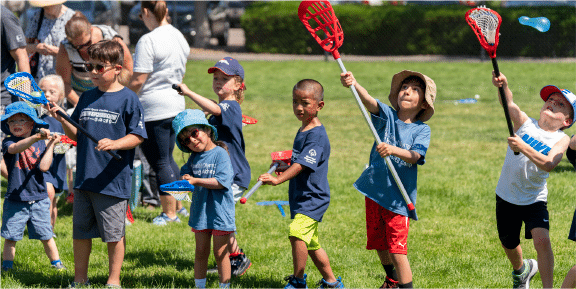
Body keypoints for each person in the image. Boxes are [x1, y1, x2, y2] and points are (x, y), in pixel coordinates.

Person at [47, 40, 146, 288]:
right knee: (81, 232)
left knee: (114, 235)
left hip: (112, 180)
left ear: (117, 68)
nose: (92, 72)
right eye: (89, 66)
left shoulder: (128, 99)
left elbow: (138, 135)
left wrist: (115, 143)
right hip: (85, 178)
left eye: (99, 67)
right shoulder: (87, 97)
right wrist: (60, 116)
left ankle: (113, 281)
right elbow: (77, 132)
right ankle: (80, 279)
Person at [340, 70, 437, 288]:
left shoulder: (422, 130)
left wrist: (393, 150)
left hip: (398, 200)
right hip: (375, 192)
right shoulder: (387, 116)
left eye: (415, 90)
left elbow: (415, 157)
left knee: (397, 249)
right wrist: (354, 84)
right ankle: (391, 279)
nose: (407, 92)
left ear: (423, 104)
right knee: (379, 243)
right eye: (404, 87)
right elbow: (369, 102)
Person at [258, 79, 345, 289]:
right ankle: (332, 283)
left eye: (305, 103)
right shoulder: (305, 128)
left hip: (312, 197)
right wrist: (284, 163)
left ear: (319, 106)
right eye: (295, 101)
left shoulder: (316, 135)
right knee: (312, 244)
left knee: (296, 233)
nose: (299, 107)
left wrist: (279, 178)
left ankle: (298, 281)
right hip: (301, 194)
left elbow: (302, 166)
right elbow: (298, 159)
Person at [492, 73, 575, 288]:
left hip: (534, 199)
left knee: (542, 241)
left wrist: (523, 147)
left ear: (567, 121)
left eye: (560, 104)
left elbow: (549, 163)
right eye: (551, 100)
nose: (552, 103)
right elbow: (508, 103)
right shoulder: (525, 124)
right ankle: (522, 270)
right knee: (509, 243)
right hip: (506, 195)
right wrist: (504, 85)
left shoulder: (561, 139)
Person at [175, 56, 252, 276]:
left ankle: (237, 259)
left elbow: (218, 111)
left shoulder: (231, 106)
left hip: (231, 175)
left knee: (220, 218)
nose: (218, 82)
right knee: (219, 215)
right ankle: (237, 257)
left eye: (224, 79)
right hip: (217, 172)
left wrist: (189, 93)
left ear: (238, 84)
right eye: (216, 78)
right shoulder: (223, 107)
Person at [128, 0, 190, 225]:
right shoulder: (178, 35)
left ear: (145, 12)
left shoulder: (148, 40)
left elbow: (138, 79)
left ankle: (169, 214)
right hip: (175, 104)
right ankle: (180, 205)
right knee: (167, 158)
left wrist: (121, 96)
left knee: (160, 161)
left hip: (154, 108)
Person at [172, 109, 235, 288]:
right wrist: (185, 177)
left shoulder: (220, 154)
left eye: (194, 133)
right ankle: (199, 286)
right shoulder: (194, 157)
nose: (192, 140)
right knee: (200, 252)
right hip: (201, 213)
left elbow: (222, 182)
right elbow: (185, 171)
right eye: (186, 139)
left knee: (220, 252)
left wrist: (196, 180)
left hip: (220, 213)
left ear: (207, 130)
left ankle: (225, 286)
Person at [1, 101, 65, 272]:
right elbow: (15, 149)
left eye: (21, 120)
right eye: (11, 121)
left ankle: (57, 264)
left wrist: (50, 144)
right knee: (10, 236)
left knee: (46, 235)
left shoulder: (41, 143)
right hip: (15, 198)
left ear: (31, 124)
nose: (16, 124)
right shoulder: (8, 142)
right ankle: (6, 267)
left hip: (39, 198)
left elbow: (44, 167)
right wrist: (36, 137)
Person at [55, 11, 133, 107]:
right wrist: (80, 105)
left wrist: (116, 95)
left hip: (111, 95)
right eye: (78, 47)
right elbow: (64, 83)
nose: (84, 49)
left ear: (91, 30)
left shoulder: (110, 37)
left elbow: (128, 69)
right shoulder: (66, 46)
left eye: (87, 43)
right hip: (81, 97)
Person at [1, 5, 31, 178]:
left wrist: (25, 98)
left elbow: (22, 57)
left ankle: (33, 190)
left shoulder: (4, 17)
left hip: (2, 98)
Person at [38, 74, 68, 231]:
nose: (47, 95)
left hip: (57, 166)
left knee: (53, 200)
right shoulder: (36, 117)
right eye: (43, 91)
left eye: (51, 92)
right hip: (40, 165)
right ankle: (44, 230)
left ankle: (50, 229)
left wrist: (62, 142)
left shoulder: (63, 118)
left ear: (61, 96)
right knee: (48, 194)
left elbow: (70, 140)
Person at [25, 0, 74, 81]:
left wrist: (56, 51)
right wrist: (37, 47)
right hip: (39, 78)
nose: (46, 8)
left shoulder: (72, 18)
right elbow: (24, 47)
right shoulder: (37, 16)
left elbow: (78, 52)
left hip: (63, 79)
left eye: (49, 5)